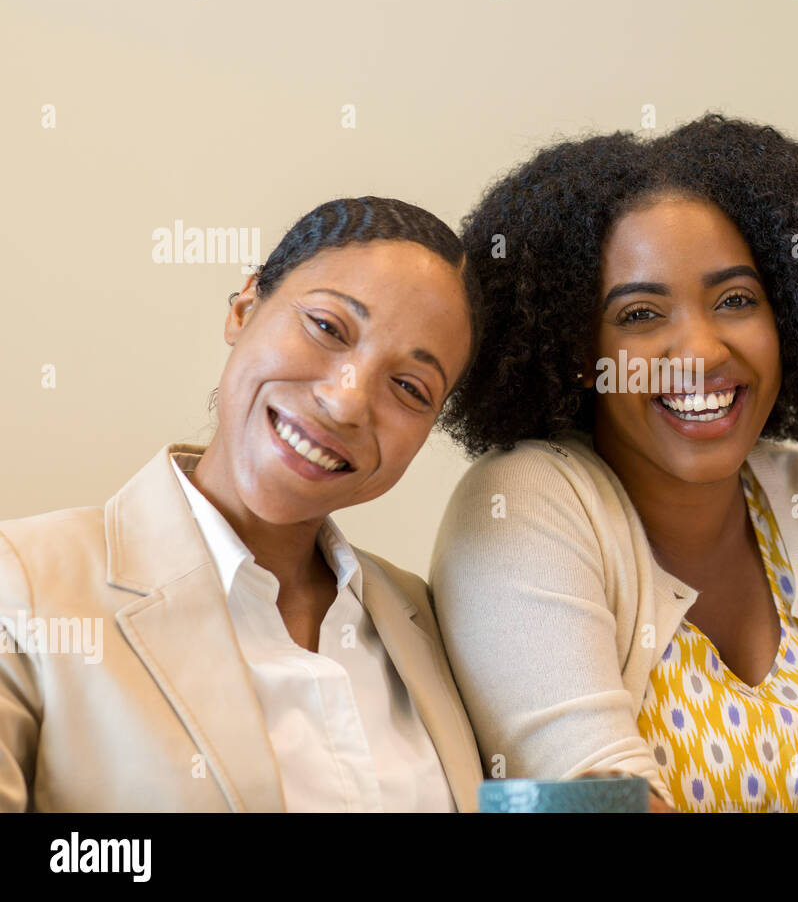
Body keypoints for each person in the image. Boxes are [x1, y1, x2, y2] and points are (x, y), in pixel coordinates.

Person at [429, 114, 798, 813]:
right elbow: (592, 799)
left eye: (736, 301)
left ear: (793, 318)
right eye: (640, 315)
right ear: (577, 352)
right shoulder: (522, 504)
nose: (702, 351)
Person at [0, 196, 485, 811]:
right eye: (329, 328)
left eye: (410, 387)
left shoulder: (436, 625)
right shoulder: (22, 585)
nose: (346, 402)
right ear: (245, 307)